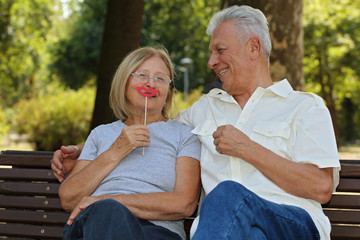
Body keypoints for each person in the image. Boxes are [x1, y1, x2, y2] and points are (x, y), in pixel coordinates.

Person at [52, 5, 340, 240]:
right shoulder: (206, 109)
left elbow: (321, 187)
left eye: (220, 50)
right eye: (211, 52)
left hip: (291, 225)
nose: (211, 61)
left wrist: (249, 148)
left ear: (254, 48)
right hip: (230, 232)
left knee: (226, 194)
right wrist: (84, 150)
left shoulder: (304, 106)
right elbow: (158, 124)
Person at [57, 46, 201, 240]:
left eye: (160, 78)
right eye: (142, 75)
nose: (151, 83)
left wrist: (110, 200)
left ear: (168, 90)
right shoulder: (101, 134)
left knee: (109, 210)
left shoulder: (185, 135)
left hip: (155, 233)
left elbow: (184, 203)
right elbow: (68, 198)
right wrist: (115, 152)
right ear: (124, 82)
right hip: (94, 226)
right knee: (107, 214)